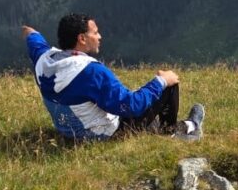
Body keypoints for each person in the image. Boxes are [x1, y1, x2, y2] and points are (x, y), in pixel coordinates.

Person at [21, 13, 205, 141]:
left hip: (69, 132)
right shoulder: (90, 72)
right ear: (82, 39)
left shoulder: (44, 61)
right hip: (102, 135)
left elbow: (32, 37)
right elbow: (130, 106)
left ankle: (175, 126)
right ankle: (176, 132)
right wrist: (162, 81)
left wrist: (29, 31)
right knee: (167, 85)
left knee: (146, 111)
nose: (99, 36)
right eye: (95, 32)